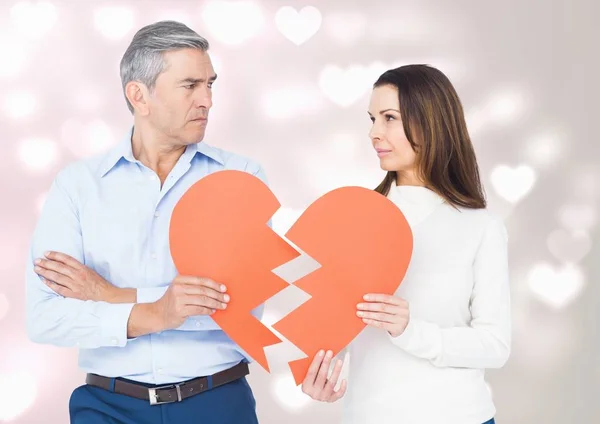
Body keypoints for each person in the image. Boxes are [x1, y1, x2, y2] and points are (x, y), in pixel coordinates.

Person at [26, 21, 263, 424]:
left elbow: (242, 308)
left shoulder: (240, 177)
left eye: (210, 84)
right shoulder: (78, 187)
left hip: (216, 403)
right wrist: (158, 311)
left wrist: (106, 294)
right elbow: (45, 318)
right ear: (139, 95)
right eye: (190, 86)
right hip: (106, 407)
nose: (207, 100)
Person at [300, 64, 511, 424]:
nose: (373, 133)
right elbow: (337, 324)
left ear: (430, 122)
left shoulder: (481, 227)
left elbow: (495, 346)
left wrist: (411, 331)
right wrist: (319, 371)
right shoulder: (353, 219)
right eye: (371, 119)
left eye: (389, 118)